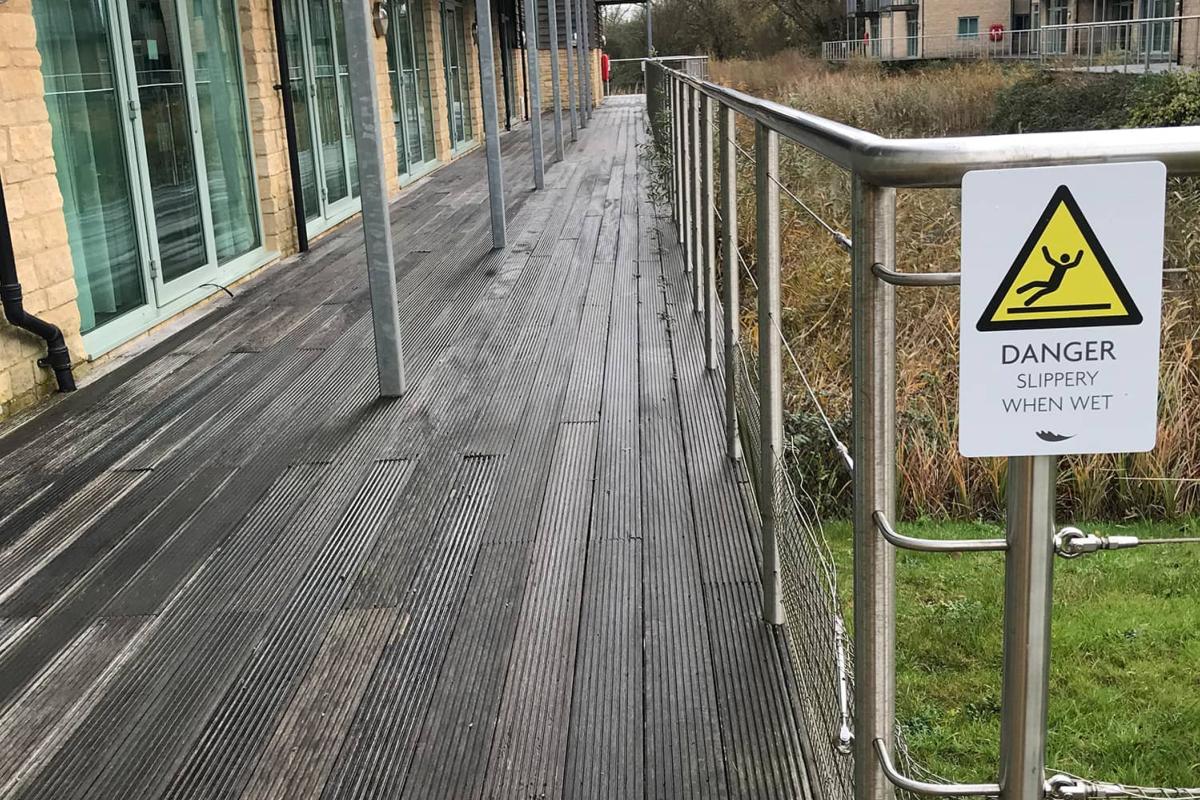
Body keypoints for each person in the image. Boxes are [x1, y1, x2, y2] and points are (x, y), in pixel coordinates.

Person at [1017, 246, 1084, 306]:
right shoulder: (1059, 265)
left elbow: (1075, 263)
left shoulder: (1063, 267)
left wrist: (1080, 253)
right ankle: (1020, 292)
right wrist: (1044, 249)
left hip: (1054, 286)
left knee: (1040, 291)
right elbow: (1049, 259)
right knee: (1035, 284)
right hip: (1050, 283)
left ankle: (1027, 303)